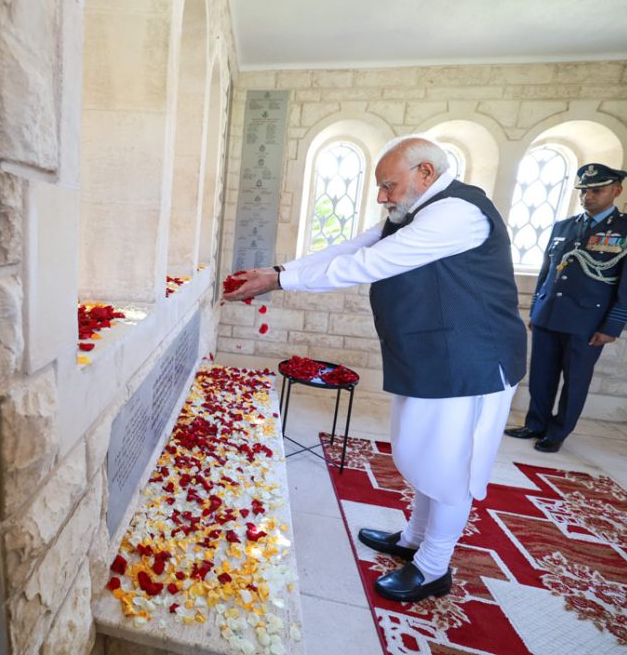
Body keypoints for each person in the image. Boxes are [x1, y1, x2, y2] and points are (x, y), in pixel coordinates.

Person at [225, 136, 526, 603]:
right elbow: (352, 246)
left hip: (471, 361)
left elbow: (371, 263)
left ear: (426, 173)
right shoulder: (416, 212)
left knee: (449, 466)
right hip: (432, 355)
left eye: (389, 185)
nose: (383, 197)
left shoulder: (457, 213)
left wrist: (283, 282)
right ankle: (413, 539)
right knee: (424, 453)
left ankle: (432, 567)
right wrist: (278, 271)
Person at [504, 164, 627, 452]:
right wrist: (537, 309)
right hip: (550, 314)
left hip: (588, 320)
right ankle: (535, 423)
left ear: (616, 191)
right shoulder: (565, 226)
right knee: (541, 375)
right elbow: (547, 272)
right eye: (584, 191)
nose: (587, 196)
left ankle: (557, 432)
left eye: (596, 190)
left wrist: (611, 326)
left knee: (575, 380)